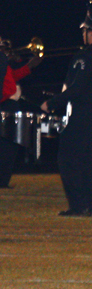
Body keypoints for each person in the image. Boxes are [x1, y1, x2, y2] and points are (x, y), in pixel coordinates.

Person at [40, 2, 92, 217]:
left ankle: (78, 205)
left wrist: (52, 103)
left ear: (90, 33)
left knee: (68, 160)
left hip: (80, 117)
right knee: (90, 162)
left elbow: (76, 89)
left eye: (84, 31)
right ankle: (89, 204)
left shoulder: (84, 57)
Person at [0, 37, 42, 187]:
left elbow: (14, 77)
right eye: (5, 47)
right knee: (7, 146)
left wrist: (30, 66)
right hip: (5, 105)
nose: (8, 50)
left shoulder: (5, 65)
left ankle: (3, 181)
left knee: (11, 146)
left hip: (10, 104)